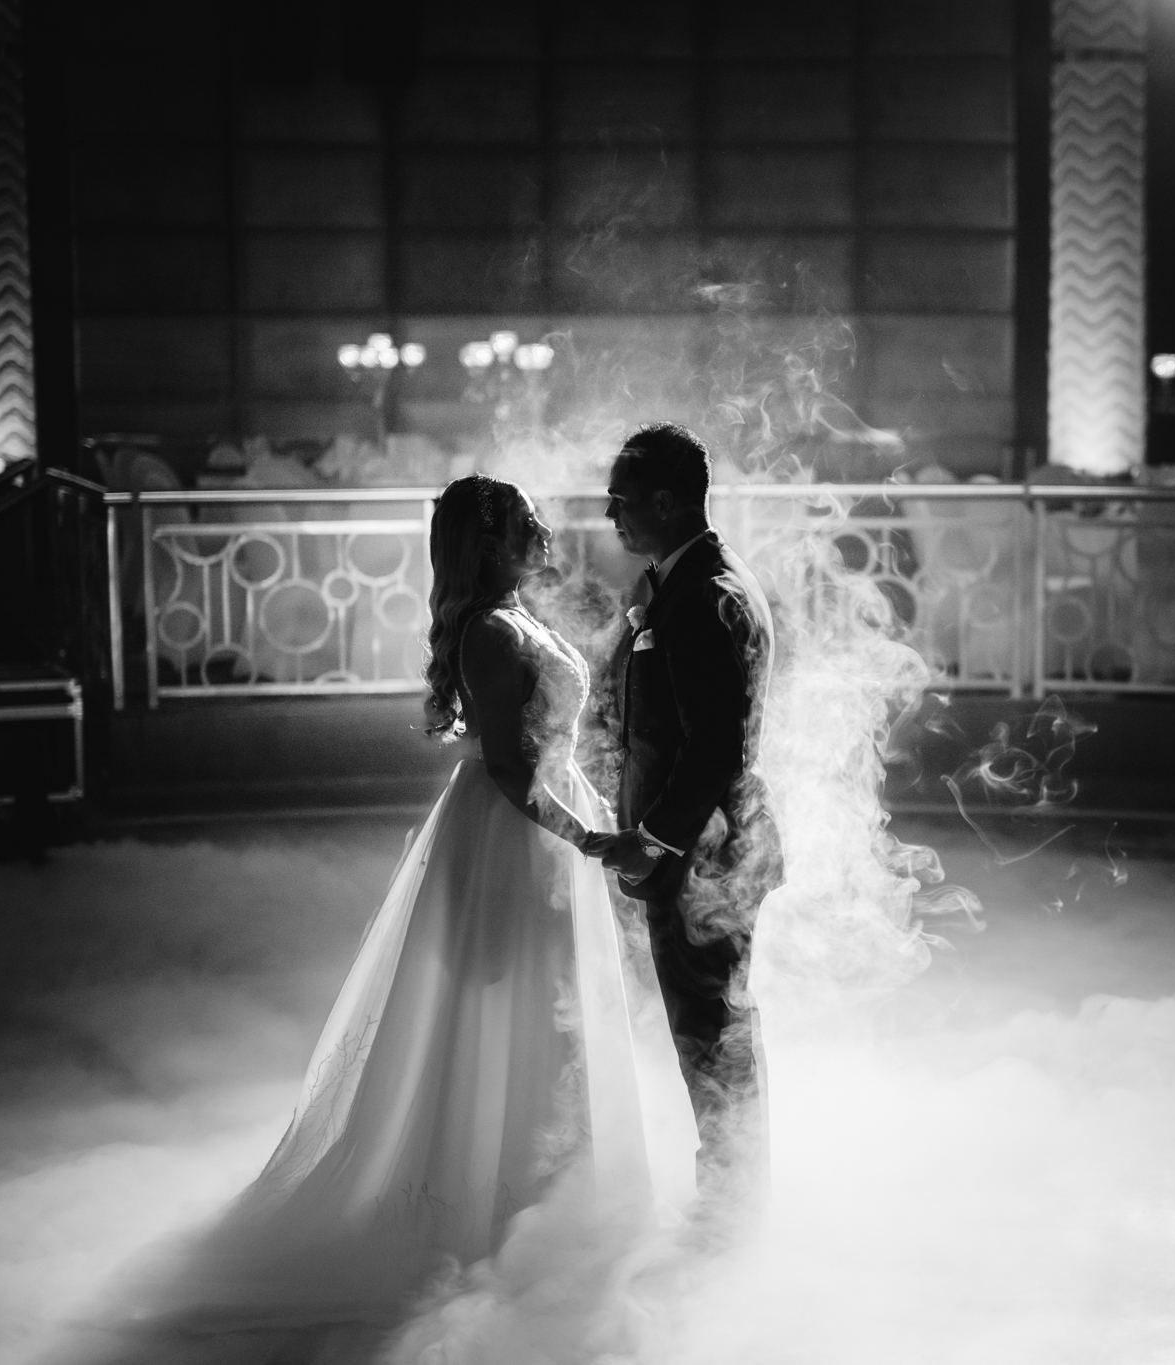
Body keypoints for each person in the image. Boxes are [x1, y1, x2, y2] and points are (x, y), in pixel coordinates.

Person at [87, 475, 662, 1339]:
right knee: (503, 1009)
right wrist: (584, 837)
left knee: (554, 1009)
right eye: (527, 523)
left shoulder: (514, 618)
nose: (546, 531)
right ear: (493, 539)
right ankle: (491, 1199)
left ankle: (548, 1191)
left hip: (544, 823)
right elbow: (511, 770)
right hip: (515, 833)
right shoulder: (492, 632)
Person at [592, 422, 782, 1209]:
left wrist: (653, 837)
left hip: (703, 856)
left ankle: (731, 1209)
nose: (611, 517)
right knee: (711, 1027)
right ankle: (731, 1193)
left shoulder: (703, 597)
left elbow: (714, 750)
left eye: (621, 501)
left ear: (665, 502)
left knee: (712, 1033)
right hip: (702, 850)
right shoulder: (691, 580)